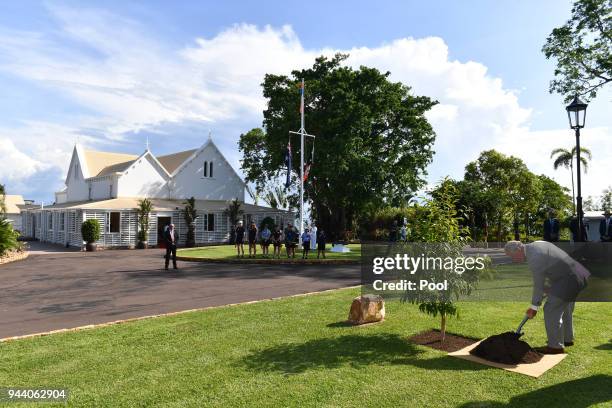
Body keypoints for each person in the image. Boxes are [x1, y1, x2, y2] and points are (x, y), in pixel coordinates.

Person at [504, 240, 590, 354]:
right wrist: (551, 287)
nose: (513, 260)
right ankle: (567, 339)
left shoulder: (534, 256)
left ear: (518, 249)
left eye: (513, 256)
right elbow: (555, 264)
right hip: (578, 274)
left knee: (551, 309)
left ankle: (555, 347)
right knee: (565, 307)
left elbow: (538, 284)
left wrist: (534, 308)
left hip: (569, 279)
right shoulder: (537, 244)